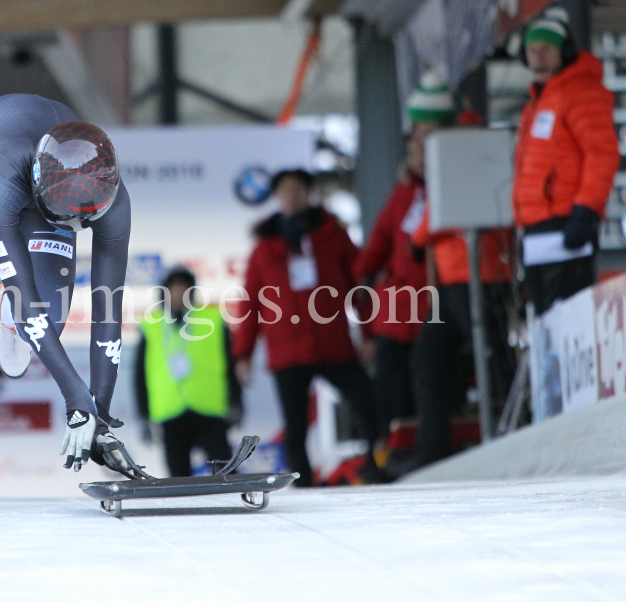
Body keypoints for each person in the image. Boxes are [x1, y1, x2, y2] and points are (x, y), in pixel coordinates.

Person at [0, 94, 134, 509]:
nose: (72, 228)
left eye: (80, 222)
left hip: (46, 189)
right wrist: (75, 397)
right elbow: (25, 293)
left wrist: (99, 411)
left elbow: (107, 310)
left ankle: (16, 326)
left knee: (52, 316)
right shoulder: (1, 182)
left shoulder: (112, 201)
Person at [384, 84, 515, 478]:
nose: (415, 142)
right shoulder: (454, 150)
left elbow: (442, 212)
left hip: (475, 273)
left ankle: (510, 430)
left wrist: (419, 240)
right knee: (437, 357)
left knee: (489, 355)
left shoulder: (459, 152)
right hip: (457, 276)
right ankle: (435, 444)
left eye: (419, 133)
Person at [232, 169, 383, 486]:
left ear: (308, 193)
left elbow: (360, 288)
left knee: (367, 402)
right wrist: (242, 354)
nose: (292, 195)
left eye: (299, 189)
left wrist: (369, 335)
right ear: (276, 196)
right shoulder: (263, 248)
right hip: (287, 349)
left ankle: (375, 463)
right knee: (295, 423)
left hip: (333, 343)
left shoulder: (333, 235)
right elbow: (251, 304)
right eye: (285, 190)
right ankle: (303, 482)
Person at [514, 7, 618, 315]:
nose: (538, 57)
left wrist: (585, 211)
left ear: (565, 52)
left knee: (570, 318)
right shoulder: (536, 103)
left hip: (567, 223)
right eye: (532, 50)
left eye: (546, 49)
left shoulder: (581, 92)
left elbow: (602, 154)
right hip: (537, 230)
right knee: (545, 321)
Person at [353, 103, 435, 438]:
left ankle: (423, 442)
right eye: (414, 148)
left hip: (434, 306)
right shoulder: (403, 193)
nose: (417, 155)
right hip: (398, 312)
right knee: (392, 386)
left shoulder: (446, 190)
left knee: (428, 381)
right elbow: (376, 248)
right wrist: (361, 280)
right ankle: (394, 445)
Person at [134, 266, 242, 477]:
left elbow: (231, 364)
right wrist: (143, 415)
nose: (178, 295)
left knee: (227, 472)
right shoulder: (151, 325)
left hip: (209, 408)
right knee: (178, 478)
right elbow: (140, 374)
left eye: (183, 289)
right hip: (170, 411)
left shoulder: (212, 319)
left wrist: (236, 400)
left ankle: (236, 507)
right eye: (173, 289)